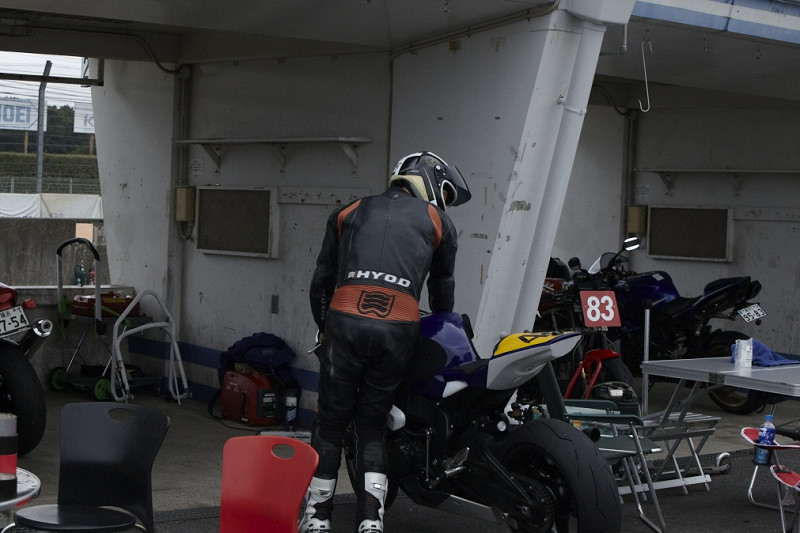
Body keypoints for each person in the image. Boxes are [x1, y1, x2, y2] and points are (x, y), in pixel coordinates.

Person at [300, 152, 471, 533]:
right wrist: (441, 322)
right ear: (429, 179)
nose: (443, 199)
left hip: (345, 319)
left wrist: (325, 327)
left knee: (331, 422)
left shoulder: (348, 211)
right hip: (398, 325)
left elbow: (321, 281)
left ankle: (317, 519)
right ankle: (370, 520)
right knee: (371, 424)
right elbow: (442, 290)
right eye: (444, 191)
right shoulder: (438, 221)